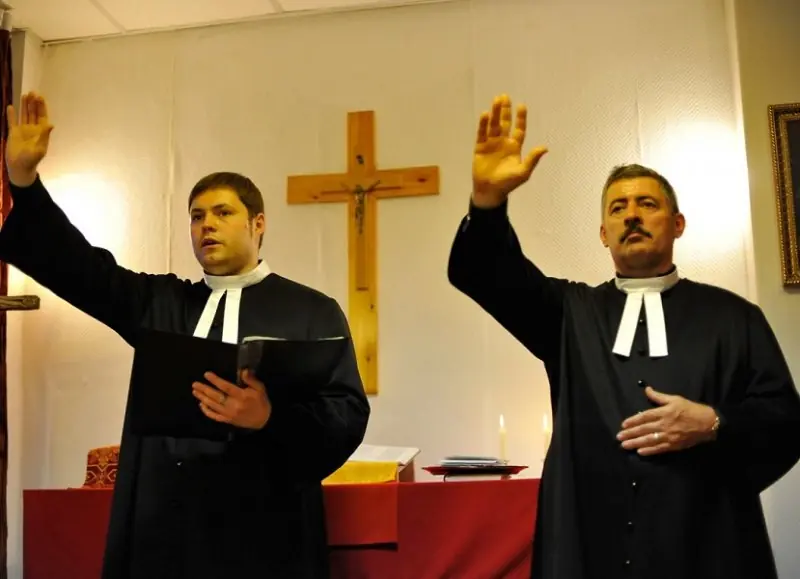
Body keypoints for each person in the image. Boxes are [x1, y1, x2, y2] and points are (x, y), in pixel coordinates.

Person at [0, 92, 370, 578]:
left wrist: (270, 419)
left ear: (258, 224)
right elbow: (81, 268)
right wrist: (24, 182)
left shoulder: (312, 311)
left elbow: (345, 414)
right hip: (166, 527)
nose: (206, 226)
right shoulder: (161, 303)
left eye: (222, 213)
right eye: (196, 216)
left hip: (265, 529)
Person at [448, 94, 800, 579]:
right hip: (590, 540)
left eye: (647, 204)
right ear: (602, 233)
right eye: (618, 208)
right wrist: (487, 204)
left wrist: (715, 422)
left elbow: (785, 421)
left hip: (705, 539)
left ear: (677, 224)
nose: (631, 215)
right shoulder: (568, 312)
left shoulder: (734, 317)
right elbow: (486, 274)